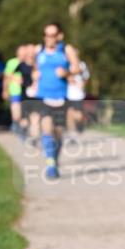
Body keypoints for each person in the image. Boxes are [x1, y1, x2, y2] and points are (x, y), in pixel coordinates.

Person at [34, 23, 80, 179]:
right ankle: (50, 164)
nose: (49, 38)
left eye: (52, 35)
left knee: (58, 133)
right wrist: (34, 76)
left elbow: (77, 68)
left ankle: (54, 158)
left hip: (61, 97)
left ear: (59, 36)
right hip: (43, 96)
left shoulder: (66, 50)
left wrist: (66, 73)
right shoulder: (39, 50)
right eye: (46, 35)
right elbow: (34, 67)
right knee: (47, 128)